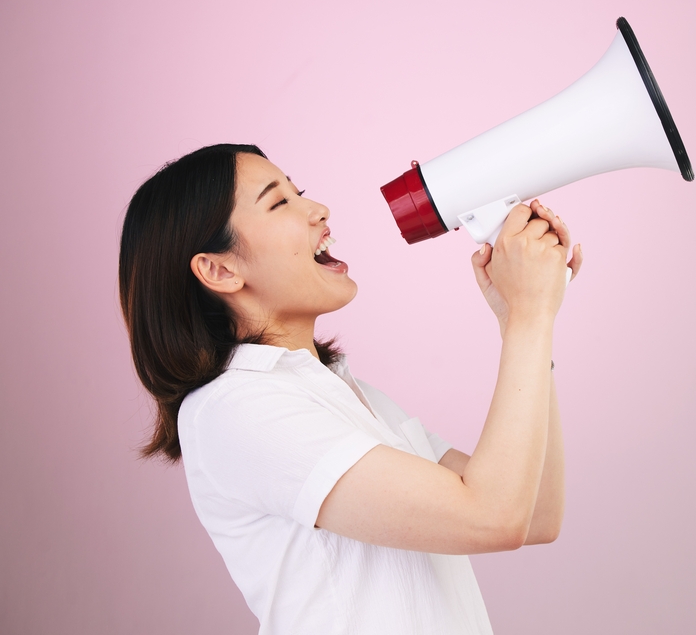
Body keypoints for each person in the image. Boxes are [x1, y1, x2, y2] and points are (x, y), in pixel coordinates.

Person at [117, 143, 580, 635]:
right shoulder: (233, 409)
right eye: (279, 203)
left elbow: (535, 516)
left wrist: (526, 324)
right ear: (220, 269)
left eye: (300, 193)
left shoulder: (341, 390)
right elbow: (493, 517)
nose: (319, 210)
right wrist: (529, 314)